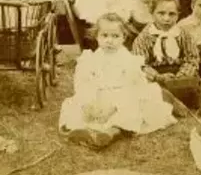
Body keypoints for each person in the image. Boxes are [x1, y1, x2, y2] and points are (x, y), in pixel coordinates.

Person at [59, 13, 175, 148]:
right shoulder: (89, 59)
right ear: (97, 36)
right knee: (73, 106)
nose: (109, 40)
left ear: (123, 38)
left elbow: (133, 88)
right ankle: (80, 131)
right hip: (96, 96)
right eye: (105, 35)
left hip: (122, 98)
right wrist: (88, 104)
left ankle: (111, 133)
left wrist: (113, 107)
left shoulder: (129, 60)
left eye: (115, 36)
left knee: (129, 110)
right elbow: (83, 83)